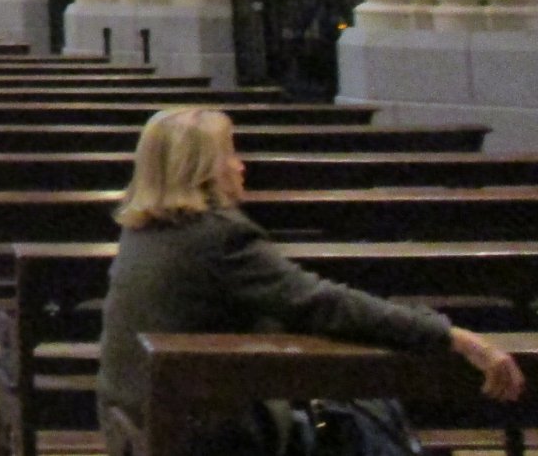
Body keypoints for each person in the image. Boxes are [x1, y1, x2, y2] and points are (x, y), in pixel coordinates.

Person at [97, 106, 524, 454]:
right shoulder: (217, 235)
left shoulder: (144, 228)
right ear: (203, 168)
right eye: (230, 154)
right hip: (204, 432)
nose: (241, 166)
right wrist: (452, 335)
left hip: (137, 414)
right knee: (370, 412)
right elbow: (321, 303)